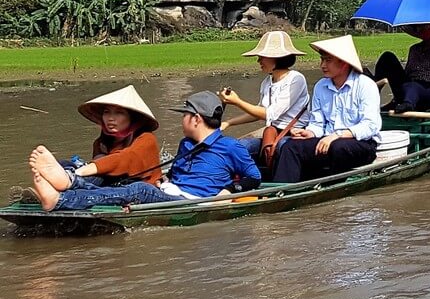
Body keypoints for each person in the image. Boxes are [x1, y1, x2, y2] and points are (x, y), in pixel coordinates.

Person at [31, 91, 259, 211]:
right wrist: (164, 180)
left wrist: (229, 191)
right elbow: (177, 174)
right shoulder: (186, 144)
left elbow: (254, 176)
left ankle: (61, 200)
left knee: (140, 189)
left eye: (184, 115)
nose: (182, 119)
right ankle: (64, 188)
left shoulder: (230, 146)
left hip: (195, 201)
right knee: (133, 187)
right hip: (171, 193)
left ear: (196, 119)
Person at [269, 35, 382, 183]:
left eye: (328, 60)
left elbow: (370, 125)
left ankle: (331, 185)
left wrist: (337, 135)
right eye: (322, 60)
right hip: (327, 141)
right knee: (291, 146)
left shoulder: (365, 85)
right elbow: (317, 123)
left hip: (361, 144)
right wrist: (309, 132)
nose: (322, 65)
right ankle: (282, 189)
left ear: (344, 63)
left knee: (338, 147)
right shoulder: (321, 86)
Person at [25, 86, 162, 198]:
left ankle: (66, 183)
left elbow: (125, 159)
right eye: (107, 112)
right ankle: (50, 188)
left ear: (133, 118)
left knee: (93, 173)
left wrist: (78, 173)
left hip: (137, 189)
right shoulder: (102, 142)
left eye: (119, 113)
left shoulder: (146, 138)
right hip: (109, 184)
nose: (111, 118)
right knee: (64, 164)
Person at [220, 30, 311, 162]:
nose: (259, 61)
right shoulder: (267, 82)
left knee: (281, 147)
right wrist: (228, 123)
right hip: (273, 132)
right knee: (238, 146)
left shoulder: (295, 79)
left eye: (262, 57)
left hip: (294, 133)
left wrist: (237, 102)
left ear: (277, 58)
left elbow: (270, 114)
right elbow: (258, 112)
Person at [372, 24, 430, 114]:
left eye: (424, 27)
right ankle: (374, 92)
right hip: (410, 88)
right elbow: (408, 73)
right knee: (387, 57)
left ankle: (408, 104)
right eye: (417, 27)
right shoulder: (415, 49)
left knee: (414, 86)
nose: (419, 29)